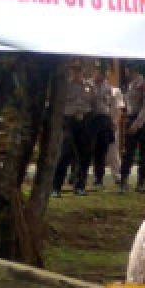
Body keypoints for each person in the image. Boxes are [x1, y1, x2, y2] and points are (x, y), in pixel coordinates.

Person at [52, 61, 94, 197]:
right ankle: (56, 187)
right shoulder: (66, 86)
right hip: (69, 120)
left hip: (85, 120)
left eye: (79, 71)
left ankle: (80, 186)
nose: (76, 73)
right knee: (65, 153)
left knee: (84, 154)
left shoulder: (89, 86)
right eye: (74, 71)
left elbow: (94, 103)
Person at [119, 68, 145, 194]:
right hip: (131, 118)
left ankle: (141, 183)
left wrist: (137, 124)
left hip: (142, 121)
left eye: (128, 69)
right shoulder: (128, 85)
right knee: (128, 153)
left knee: (143, 154)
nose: (126, 71)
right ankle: (123, 181)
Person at [90, 69, 117, 189]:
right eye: (99, 72)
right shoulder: (88, 85)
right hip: (91, 119)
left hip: (104, 120)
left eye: (103, 73)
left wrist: (113, 121)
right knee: (87, 149)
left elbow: (112, 105)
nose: (101, 75)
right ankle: (78, 177)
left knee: (102, 150)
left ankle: (99, 178)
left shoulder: (109, 88)